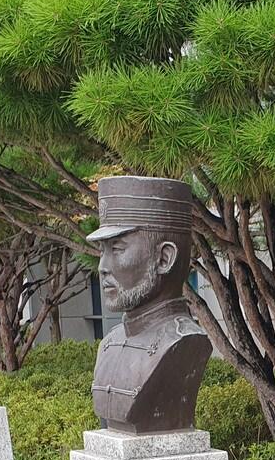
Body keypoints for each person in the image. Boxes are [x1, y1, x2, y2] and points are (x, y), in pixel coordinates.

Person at [88, 176, 212, 435]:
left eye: (117, 249)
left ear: (164, 259)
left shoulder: (184, 342)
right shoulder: (109, 343)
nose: (102, 267)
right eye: (102, 251)